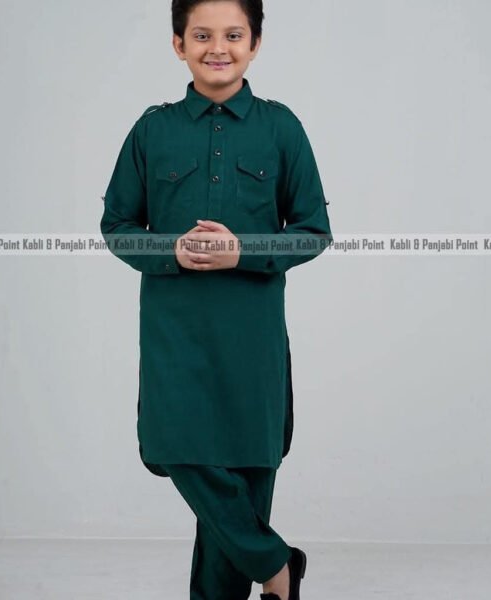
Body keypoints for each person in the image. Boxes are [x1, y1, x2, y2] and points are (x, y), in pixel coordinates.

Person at [100, 1, 332, 598]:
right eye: (202, 35)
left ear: (255, 43)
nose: (218, 48)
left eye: (233, 34)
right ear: (179, 44)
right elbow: (117, 226)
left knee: (248, 474)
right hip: (174, 333)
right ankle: (278, 567)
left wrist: (243, 251)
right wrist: (171, 250)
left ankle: (260, 583)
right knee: (173, 444)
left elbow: (313, 231)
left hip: (252, 335)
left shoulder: (281, 128)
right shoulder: (152, 130)